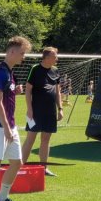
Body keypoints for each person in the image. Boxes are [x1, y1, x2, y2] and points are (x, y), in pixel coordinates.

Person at [0, 36, 31, 201]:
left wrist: (16, 91)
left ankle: (3, 198)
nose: (23, 57)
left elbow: (6, 96)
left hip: (9, 126)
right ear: (11, 52)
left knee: (17, 162)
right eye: (21, 53)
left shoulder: (9, 73)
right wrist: (5, 128)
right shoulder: (0, 72)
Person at [21, 47, 63, 176]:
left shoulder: (56, 71)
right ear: (47, 57)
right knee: (30, 139)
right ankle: (20, 166)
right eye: (55, 56)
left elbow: (58, 91)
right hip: (35, 111)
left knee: (46, 139)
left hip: (50, 111)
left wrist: (60, 108)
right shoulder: (35, 69)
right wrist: (29, 109)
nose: (57, 58)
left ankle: (44, 168)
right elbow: (27, 90)